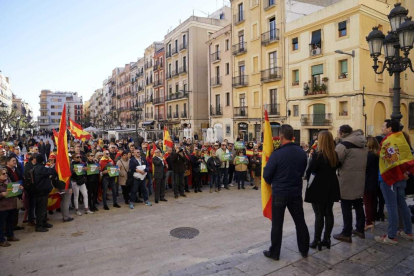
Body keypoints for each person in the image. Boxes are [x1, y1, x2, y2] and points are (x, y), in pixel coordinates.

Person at [263, 124, 309, 261]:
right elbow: (302, 170)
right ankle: (304, 249)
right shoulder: (302, 152)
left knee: (277, 224)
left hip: (280, 193)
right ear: (293, 137)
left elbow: (266, 176)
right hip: (295, 192)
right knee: (300, 221)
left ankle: (275, 252)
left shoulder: (277, 154)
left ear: (281, 137)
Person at [375, 119, 414, 244]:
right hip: (401, 177)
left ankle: (391, 236)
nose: (382, 128)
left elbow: (388, 159)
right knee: (402, 205)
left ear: (390, 128)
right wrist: (405, 172)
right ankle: (408, 232)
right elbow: (406, 157)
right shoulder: (401, 139)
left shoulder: (388, 141)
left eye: (383, 126)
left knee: (391, 207)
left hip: (390, 178)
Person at [305, 131, 340, 251]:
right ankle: (327, 238)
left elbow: (310, 171)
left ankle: (317, 239)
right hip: (331, 186)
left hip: (318, 187)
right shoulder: (334, 154)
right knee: (328, 212)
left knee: (319, 214)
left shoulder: (318, 156)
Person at [333, 125, 367, 243]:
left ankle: (346, 233)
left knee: (346, 205)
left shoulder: (344, 145)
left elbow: (335, 161)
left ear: (342, 133)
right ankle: (360, 229)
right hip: (360, 177)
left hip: (347, 179)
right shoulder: (363, 143)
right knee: (358, 203)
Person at [33, 155, 56, 232]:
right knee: (41, 209)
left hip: (41, 191)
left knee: (43, 208)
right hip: (41, 191)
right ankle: (39, 226)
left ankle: (44, 222)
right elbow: (52, 171)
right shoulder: (40, 168)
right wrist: (56, 165)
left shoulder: (36, 167)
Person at [0, 167, 22, 247]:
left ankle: (10, 235)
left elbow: (13, 190)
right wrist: (2, 194)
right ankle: (1, 240)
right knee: (1, 224)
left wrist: (19, 188)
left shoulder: (8, 181)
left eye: (6, 173)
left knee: (10, 222)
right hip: (2, 207)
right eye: (3, 174)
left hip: (11, 205)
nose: (5, 175)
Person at [363, 137, 380, 232]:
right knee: (373, 202)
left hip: (368, 182)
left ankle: (369, 223)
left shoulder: (368, 156)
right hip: (375, 181)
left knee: (368, 203)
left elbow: (365, 170)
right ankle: (372, 220)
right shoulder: (377, 155)